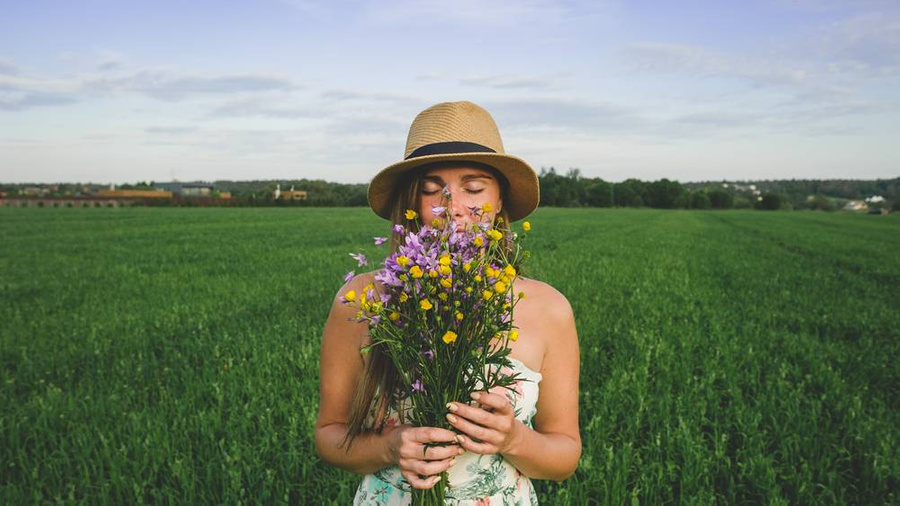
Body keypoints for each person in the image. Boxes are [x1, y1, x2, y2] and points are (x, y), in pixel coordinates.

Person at [315, 101, 581, 504]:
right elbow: (329, 436)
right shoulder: (364, 300)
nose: (452, 207)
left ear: (500, 201)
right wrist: (390, 447)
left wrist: (514, 439)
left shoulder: (549, 308)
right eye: (430, 190)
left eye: (474, 189)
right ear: (411, 202)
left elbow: (564, 458)